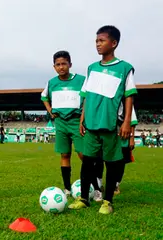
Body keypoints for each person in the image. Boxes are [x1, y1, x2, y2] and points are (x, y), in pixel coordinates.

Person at [69, 25, 137, 214]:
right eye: (96, 41)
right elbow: (86, 95)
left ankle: (107, 201)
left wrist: (126, 123)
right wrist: (82, 117)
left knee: (112, 163)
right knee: (88, 162)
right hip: (91, 124)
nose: (97, 44)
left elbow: (129, 96)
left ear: (114, 43)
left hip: (110, 125)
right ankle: (84, 198)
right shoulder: (91, 68)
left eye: (102, 40)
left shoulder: (124, 68)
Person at [41, 50, 85, 197]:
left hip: (77, 121)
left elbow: (87, 98)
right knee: (65, 154)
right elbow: (44, 97)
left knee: (83, 155)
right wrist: (49, 110)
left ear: (70, 65)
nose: (61, 67)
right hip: (60, 122)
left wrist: (83, 118)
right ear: (54, 67)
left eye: (64, 64)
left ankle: (95, 184)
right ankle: (67, 188)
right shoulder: (51, 82)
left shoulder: (81, 80)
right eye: (58, 64)